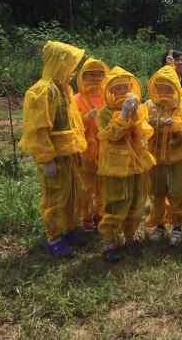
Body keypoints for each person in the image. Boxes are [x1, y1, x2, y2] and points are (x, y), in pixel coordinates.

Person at [20, 41, 87, 257]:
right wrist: (46, 158)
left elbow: (72, 122)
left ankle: (69, 229)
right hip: (54, 156)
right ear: (58, 63)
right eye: (69, 63)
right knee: (55, 196)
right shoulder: (43, 91)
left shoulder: (64, 89)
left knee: (72, 194)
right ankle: (54, 237)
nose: (72, 69)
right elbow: (38, 129)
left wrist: (77, 149)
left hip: (69, 153)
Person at [97, 66, 155, 262]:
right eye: (118, 88)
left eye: (125, 87)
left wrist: (135, 116)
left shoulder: (138, 109)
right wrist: (122, 116)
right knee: (116, 202)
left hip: (137, 162)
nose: (122, 91)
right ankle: (110, 241)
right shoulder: (104, 113)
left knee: (138, 200)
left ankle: (129, 236)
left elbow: (144, 132)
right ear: (110, 91)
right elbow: (109, 135)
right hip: (115, 165)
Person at [145, 65, 182, 245]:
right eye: (160, 86)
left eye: (168, 87)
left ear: (175, 87)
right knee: (157, 191)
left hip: (176, 157)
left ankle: (177, 226)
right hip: (156, 156)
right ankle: (158, 224)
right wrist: (152, 123)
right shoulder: (149, 105)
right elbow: (141, 127)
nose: (164, 90)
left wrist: (175, 125)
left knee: (177, 191)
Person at [74, 57, 109, 232]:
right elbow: (72, 124)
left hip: (106, 148)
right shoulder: (76, 99)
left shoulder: (109, 96)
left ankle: (100, 214)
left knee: (104, 184)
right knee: (86, 186)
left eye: (99, 75)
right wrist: (85, 119)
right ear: (82, 77)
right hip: (85, 149)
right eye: (90, 75)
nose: (95, 78)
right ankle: (86, 217)